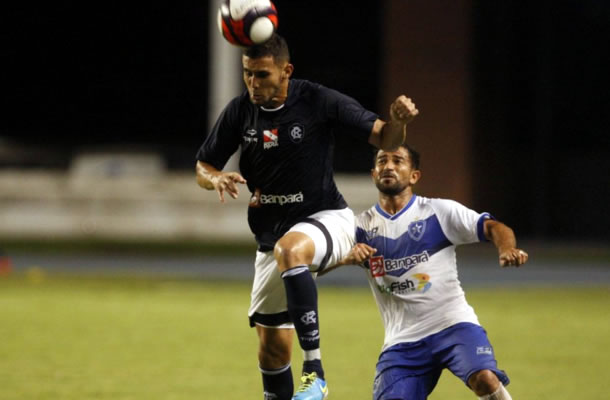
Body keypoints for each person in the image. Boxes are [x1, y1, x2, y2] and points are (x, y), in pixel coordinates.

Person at [195, 33, 418, 400]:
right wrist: (215, 177)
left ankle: (315, 372)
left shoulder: (317, 99)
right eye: (247, 73)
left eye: (262, 75)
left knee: (291, 250)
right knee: (271, 351)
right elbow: (203, 165)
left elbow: (385, 138)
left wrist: (398, 122)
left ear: (286, 71)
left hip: (328, 219)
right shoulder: (239, 111)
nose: (253, 83)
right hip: (271, 239)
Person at [322, 144, 528, 400]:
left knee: (484, 378)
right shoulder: (358, 227)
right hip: (402, 341)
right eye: (382, 161)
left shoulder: (439, 212)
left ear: (414, 175)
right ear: (373, 174)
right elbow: (314, 266)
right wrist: (345, 258)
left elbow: (494, 227)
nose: (389, 166)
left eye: (398, 161)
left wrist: (507, 249)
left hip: (453, 325)